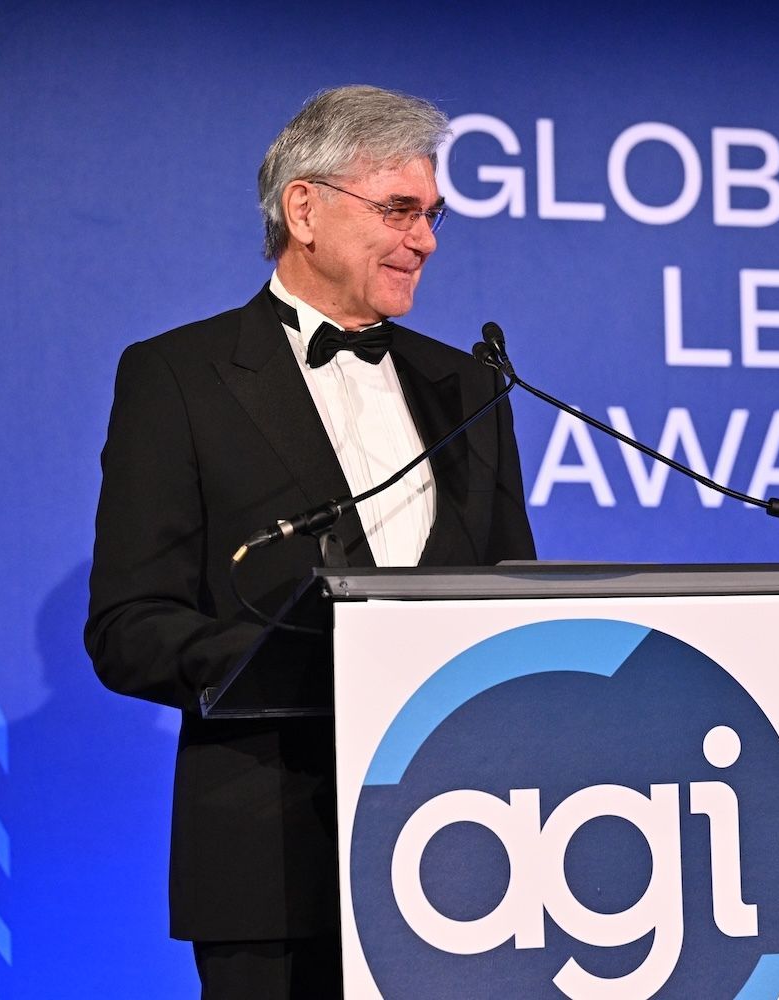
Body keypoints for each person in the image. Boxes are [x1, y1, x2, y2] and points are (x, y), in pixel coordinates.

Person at [85, 85, 536, 998]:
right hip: (275, 863)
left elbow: (513, 596)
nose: (426, 240)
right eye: (399, 210)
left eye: (433, 215)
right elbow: (129, 626)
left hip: (472, 860)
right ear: (305, 210)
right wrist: (302, 661)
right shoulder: (179, 378)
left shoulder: (470, 387)